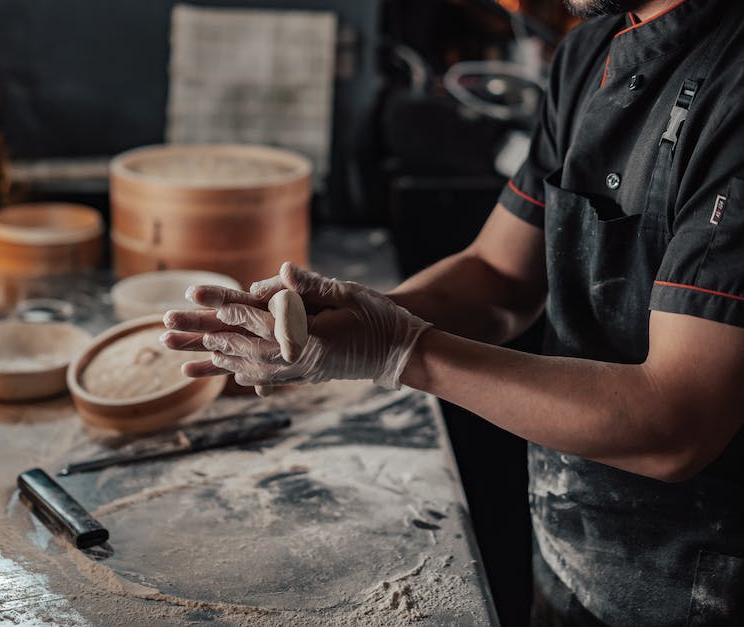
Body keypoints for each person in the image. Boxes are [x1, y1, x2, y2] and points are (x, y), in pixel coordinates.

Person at [161, 0, 744, 623]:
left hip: (698, 586)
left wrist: (401, 353)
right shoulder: (592, 50)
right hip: (574, 561)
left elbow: (675, 426)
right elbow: (497, 278)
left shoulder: (732, 90)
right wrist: (353, 323)